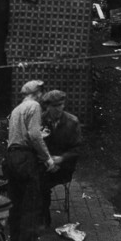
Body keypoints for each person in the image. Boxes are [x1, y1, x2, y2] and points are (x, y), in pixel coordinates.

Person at [3, 79, 57, 241]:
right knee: (31, 205)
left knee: (15, 204)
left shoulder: (17, 109)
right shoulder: (34, 106)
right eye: (42, 92)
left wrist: (37, 136)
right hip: (26, 159)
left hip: (11, 158)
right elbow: (33, 135)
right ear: (38, 93)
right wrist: (47, 157)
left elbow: (21, 135)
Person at [39, 89, 82, 227]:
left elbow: (77, 149)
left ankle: (43, 217)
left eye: (61, 105)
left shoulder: (72, 122)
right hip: (44, 163)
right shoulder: (40, 120)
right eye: (55, 106)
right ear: (48, 106)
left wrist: (61, 159)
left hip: (64, 167)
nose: (59, 109)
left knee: (41, 182)